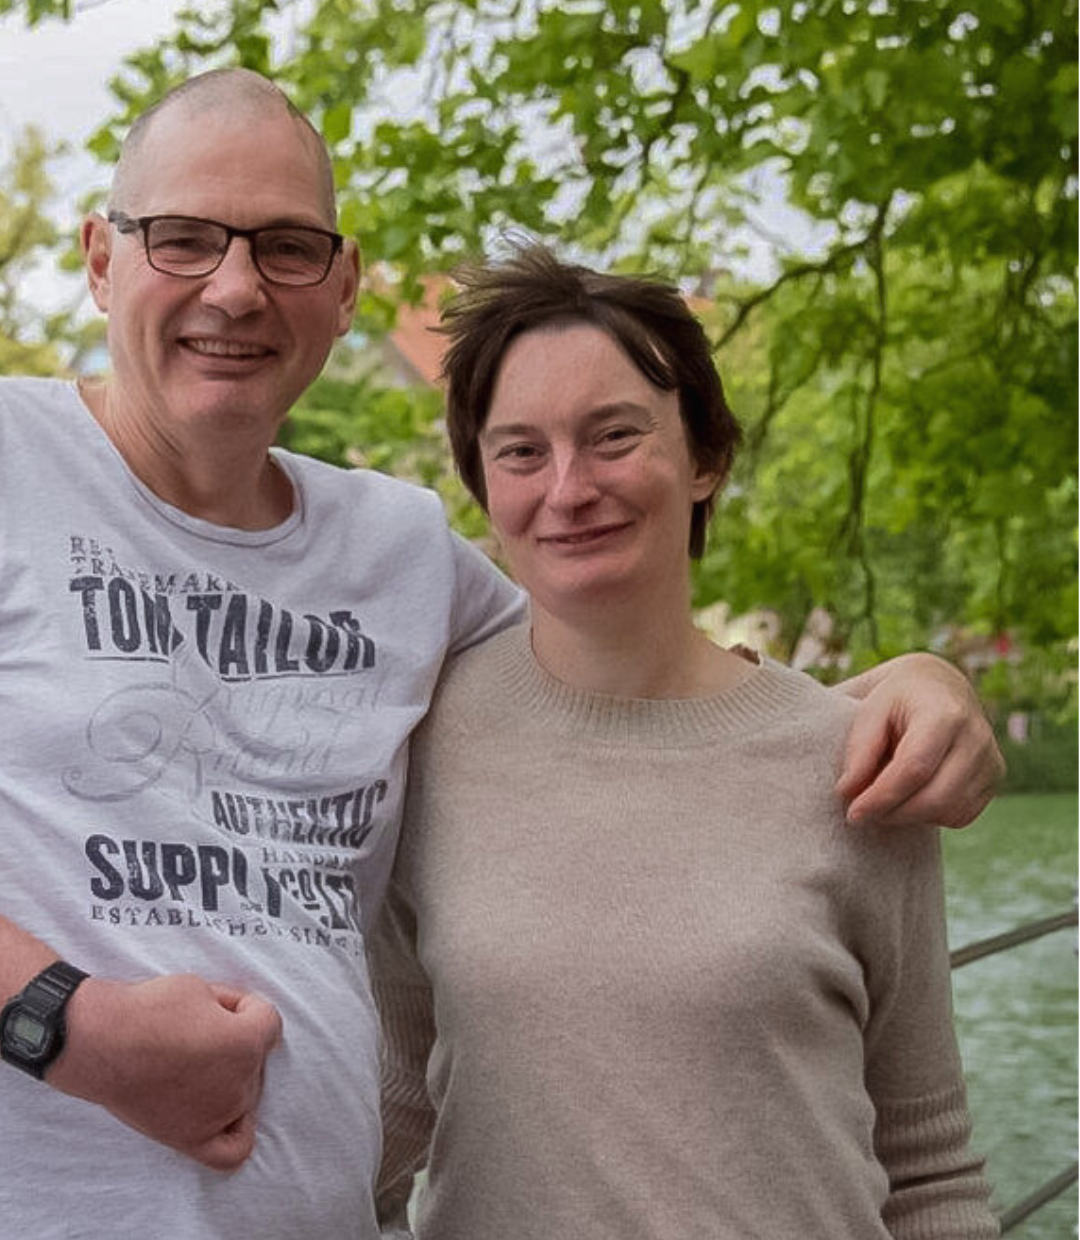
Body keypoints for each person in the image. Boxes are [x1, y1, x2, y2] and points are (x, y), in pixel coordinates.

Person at [0, 69, 1002, 1239]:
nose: (233, 287)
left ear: (339, 292)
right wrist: (80, 1029)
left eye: (285, 247)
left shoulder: (392, 550)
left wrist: (903, 688)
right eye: (184, 238)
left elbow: (633, 677)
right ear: (102, 260)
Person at [371, 247, 998, 1238]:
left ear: (704, 456)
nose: (567, 488)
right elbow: (384, 1105)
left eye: (612, 435)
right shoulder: (420, 743)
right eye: (520, 451)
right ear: (482, 490)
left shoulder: (859, 761)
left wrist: (932, 670)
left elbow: (926, 1168)